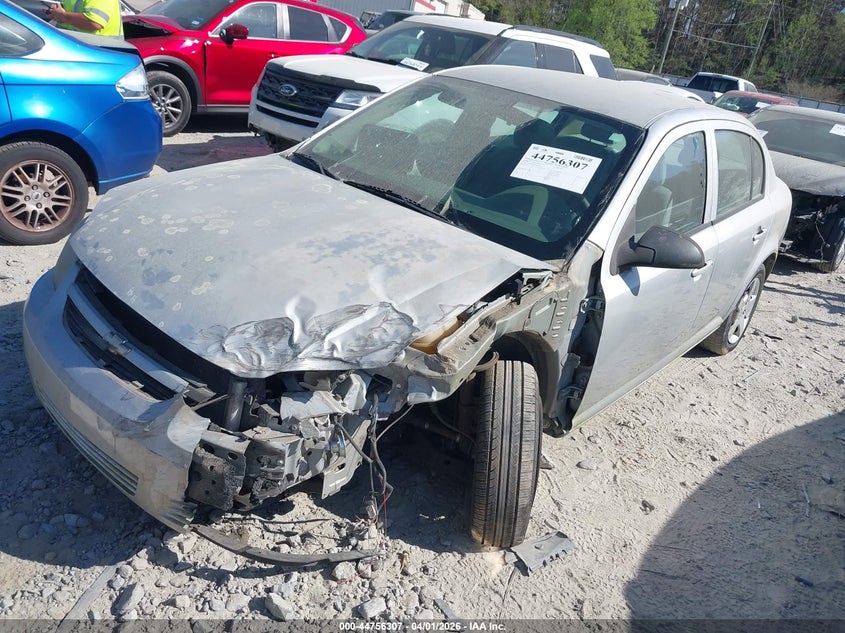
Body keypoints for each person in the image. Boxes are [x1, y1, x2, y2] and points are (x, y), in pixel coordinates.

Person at [46, 0, 124, 37]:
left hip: (99, 50)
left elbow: (94, 22)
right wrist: (56, 12)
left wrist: (63, 16)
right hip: (77, 46)